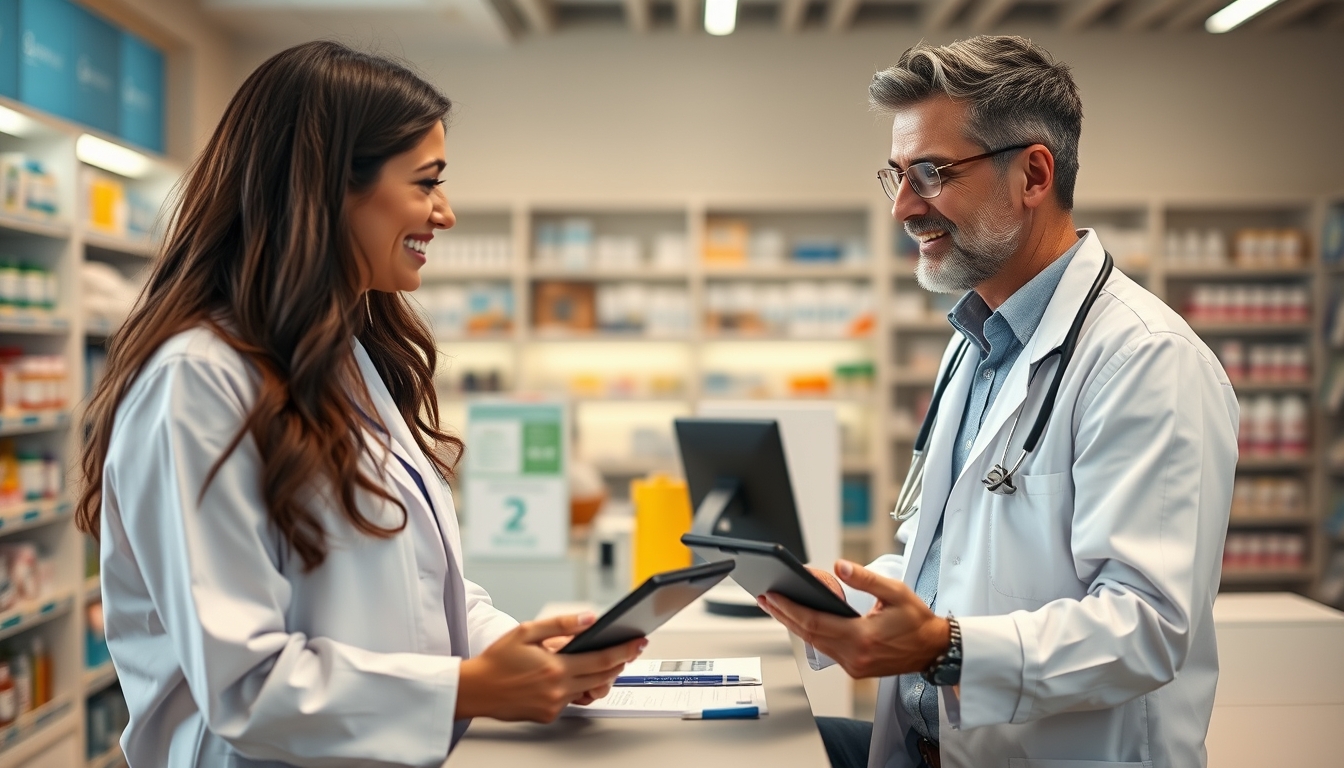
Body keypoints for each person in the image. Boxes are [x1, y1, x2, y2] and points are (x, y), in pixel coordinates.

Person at [76, 41, 644, 768]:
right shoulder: (195, 383)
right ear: (327, 190)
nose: (446, 213)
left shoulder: (346, 357)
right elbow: (245, 685)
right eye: (426, 182)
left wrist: (514, 649)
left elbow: (417, 588)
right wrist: (469, 689)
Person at [757, 36, 1237, 768]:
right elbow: (957, 566)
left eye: (932, 173)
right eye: (897, 176)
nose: (905, 209)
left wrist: (944, 647)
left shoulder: (1147, 361)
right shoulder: (974, 343)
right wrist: (847, 597)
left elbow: (1146, 628)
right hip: (931, 746)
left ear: (1034, 175)